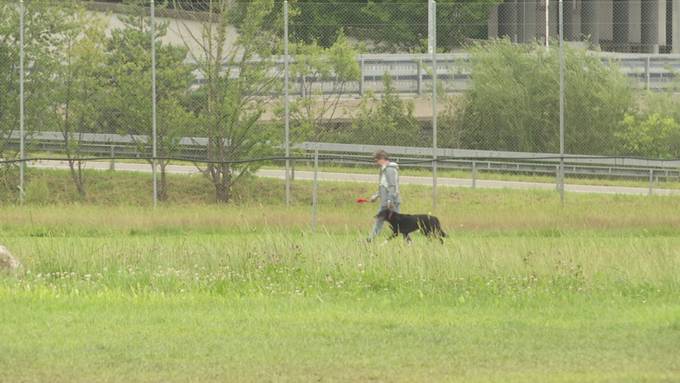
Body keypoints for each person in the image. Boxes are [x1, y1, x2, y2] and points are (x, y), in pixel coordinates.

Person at [367, 150, 400, 242]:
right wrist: (376, 196)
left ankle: (370, 240)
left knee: (397, 222)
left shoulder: (389, 169)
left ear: (382, 159)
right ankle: (370, 239)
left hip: (391, 202)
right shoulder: (384, 169)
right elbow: (383, 185)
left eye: (376, 160)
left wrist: (390, 200)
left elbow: (392, 186)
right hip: (386, 202)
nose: (375, 162)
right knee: (384, 221)